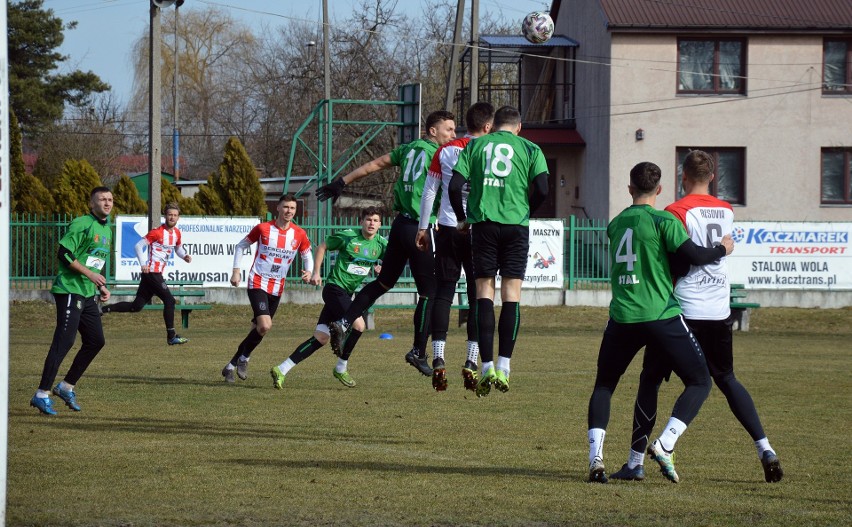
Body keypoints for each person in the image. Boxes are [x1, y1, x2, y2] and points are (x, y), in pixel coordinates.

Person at [610, 151, 783, 483]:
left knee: (651, 380)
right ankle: (765, 448)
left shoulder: (675, 211)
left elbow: (681, 260)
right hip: (718, 309)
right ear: (713, 177)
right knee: (727, 379)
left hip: (682, 310)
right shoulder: (727, 210)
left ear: (682, 177)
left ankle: (637, 460)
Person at [585, 161, 735, 484]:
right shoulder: (663, 219)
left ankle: (598, 458)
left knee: (605, 386)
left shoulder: (614, 224)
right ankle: (665, 443)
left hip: (622, 316)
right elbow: (693, 256)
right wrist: (722, 249)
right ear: (660, 190)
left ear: (629, 189)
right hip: (660, 315)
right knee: (700, 381)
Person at [319, 110, 457, 376]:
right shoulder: (441, 155)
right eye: (449, 129)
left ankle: (345, 322)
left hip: (399, 226)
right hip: (420, 229)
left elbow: (375, 165)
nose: (452, 134)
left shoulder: (407, 150)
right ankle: (418, 350)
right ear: (432, 131)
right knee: (429, 292)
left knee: (383, 282)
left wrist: (342, 181)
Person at [447, 105, 549, 397]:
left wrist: (462, 218)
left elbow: (455, 187)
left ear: (491, 126)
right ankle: (505, 366)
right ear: (519, 127)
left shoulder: (477, 145)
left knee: (484, 293)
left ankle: (486, 365)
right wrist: (526, 210)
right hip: (516, 225)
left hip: (484, 225)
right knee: (511, 295)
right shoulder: (531, 149)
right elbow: (542, 188)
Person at [415, 102, 494, 391]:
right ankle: (472, 362)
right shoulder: (492, 150)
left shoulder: (445, 150)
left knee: (443, 293)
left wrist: (423, 227)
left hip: (448, 227)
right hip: (479, 229)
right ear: (487, 126)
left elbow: (429, 191)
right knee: (478, 297)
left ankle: (438, 358)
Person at [270, 207, 387, 389]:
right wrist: (316, 272)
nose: (371, 223)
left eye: (375, 220)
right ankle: (341, 368)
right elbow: (322, 246)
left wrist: (383, 268)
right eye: (368, 219)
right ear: (361, 221)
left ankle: (281, 369)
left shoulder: (380, 244)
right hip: (334, 289)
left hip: (346, 294)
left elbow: (393, 262)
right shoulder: (348, 236)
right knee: (359, 325)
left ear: (380, 224)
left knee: (321, 338)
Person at [30, 187, 114, 415]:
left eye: (109, 199)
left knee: (96, 341)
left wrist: (101, 285)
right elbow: (64, 253)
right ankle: (41, 393)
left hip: (87, 293)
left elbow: (96, 260)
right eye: (102, 199)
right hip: (69, 290)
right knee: (64, 341)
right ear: (91, 204)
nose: (107, 203)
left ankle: (66, 386)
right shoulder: (82, 223)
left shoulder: (106, 229)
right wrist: (90, 275)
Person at [222, 194, 313, 383]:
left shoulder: (299, 233)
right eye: (286, 207)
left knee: (259, 329)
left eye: (293, 208)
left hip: (277, 288)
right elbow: (241, 246)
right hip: (258, 282)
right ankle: (244, 358)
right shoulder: (263, 228)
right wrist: (236, 271)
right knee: (265, 325)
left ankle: (230, 366)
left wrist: (309, 271)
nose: (289, 211)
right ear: (278, 208)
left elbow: (307, 254)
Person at [101, 202, 193, 345]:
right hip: (151, 272)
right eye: (170, 215)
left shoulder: (177, 233)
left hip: (153, 275)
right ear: (165, 216)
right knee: (169, 300)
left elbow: (178, 249)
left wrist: (185, 256)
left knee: (136, 307)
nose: (172, 217)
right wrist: (143, 264)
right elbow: (138, 246)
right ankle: (171, 336)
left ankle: (103, 309)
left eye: (175, 215)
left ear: (178, 217)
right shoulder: (156, 232)